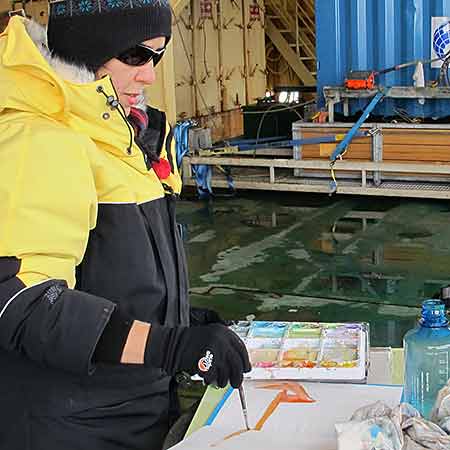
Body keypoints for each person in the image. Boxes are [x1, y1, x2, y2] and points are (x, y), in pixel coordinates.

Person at [0, 1, 251, 449]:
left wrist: (179, 321)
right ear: (87, 50)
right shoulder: (40, 141)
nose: (149, 74)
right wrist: (168, 347)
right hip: (75, 428)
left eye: (157, 55)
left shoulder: (123, 137)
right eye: (135, 55)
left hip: (135, 414)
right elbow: (27, 306)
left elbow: (108, 275)